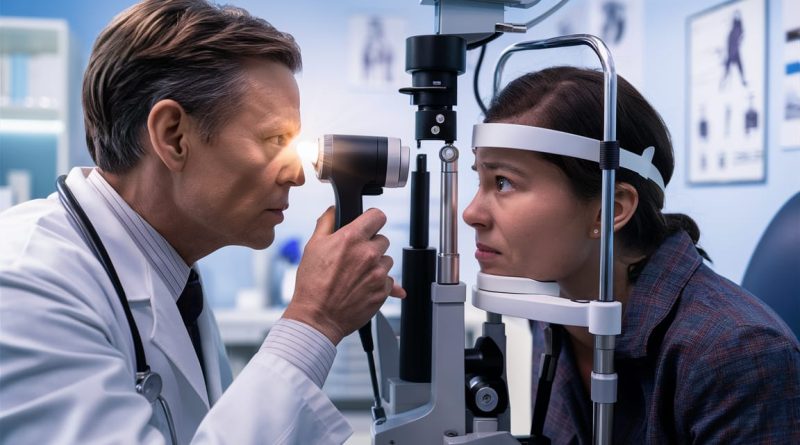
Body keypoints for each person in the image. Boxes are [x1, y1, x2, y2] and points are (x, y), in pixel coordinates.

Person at [0, 1, 404, 444]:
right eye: (274, 140)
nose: (296, 174)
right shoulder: (25, 286)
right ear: (173, 135)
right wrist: (314, 320)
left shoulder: (174, 274)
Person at [463, 66, 800, 443]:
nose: (471, 213)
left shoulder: (738, 355)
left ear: (610, 209)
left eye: (504, 182)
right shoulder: (553, 311)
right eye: (480, 180)